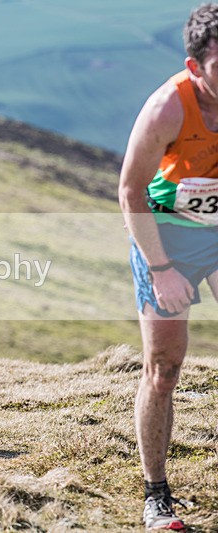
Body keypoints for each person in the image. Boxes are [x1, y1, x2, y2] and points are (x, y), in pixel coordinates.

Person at [119, 4, 218, 530]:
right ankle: (156, 494)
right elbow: (130, 190)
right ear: (195, 65)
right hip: (164, 237)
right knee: (165, 367)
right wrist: (161, 269)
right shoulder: (167, 109)